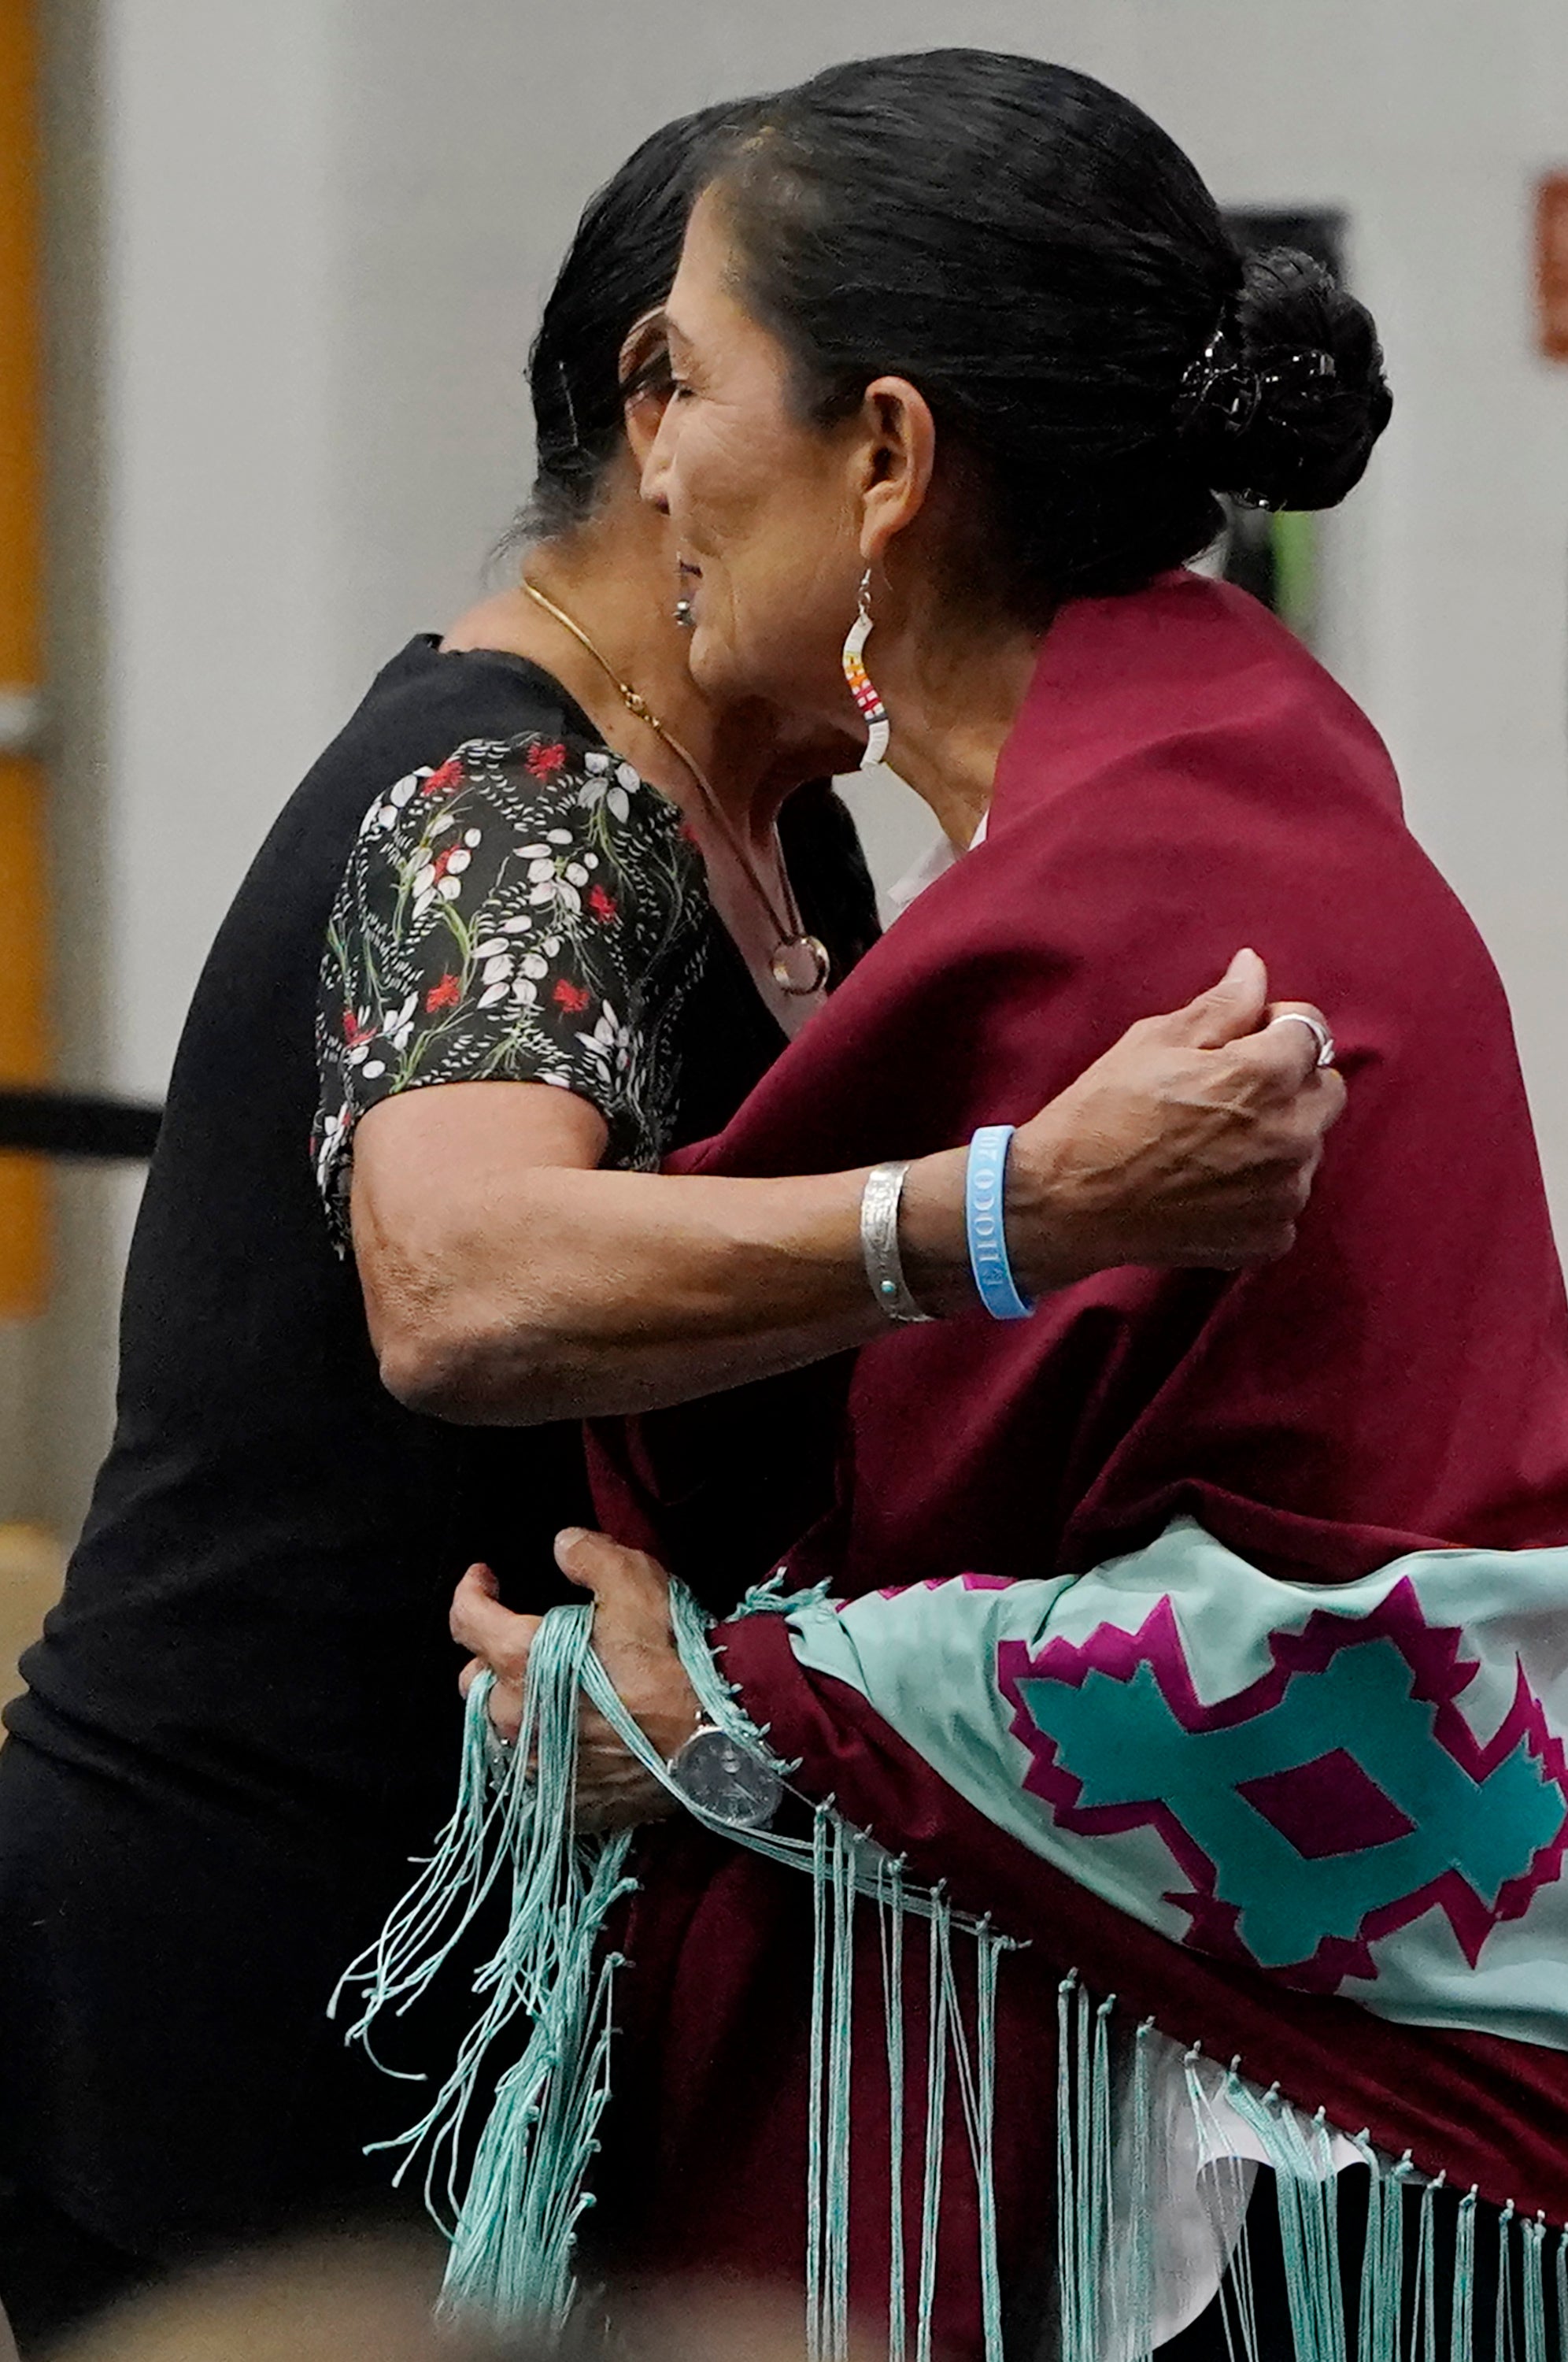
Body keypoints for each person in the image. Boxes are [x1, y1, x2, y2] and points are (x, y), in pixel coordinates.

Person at [0, 94, 1341, 2360]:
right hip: (252, 1951)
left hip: (505, 1943)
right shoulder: (510, 794)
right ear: (689, 429)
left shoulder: (784, 821)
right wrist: (1035, 1204)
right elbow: (468, 1283)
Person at [409, 48, 1568, 2360]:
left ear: (888, 458)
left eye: (689, 380)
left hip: (1247, 2171)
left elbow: (1400, 1631)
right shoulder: (1199, 795)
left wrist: (737, 1709)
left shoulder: (1169, 890)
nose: (652, 464)